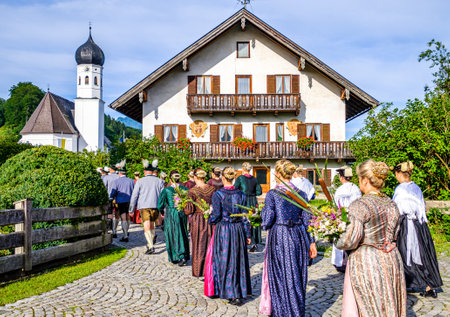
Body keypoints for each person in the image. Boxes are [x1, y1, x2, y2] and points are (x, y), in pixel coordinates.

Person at [336, 160, 407, 317]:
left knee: (369, 305)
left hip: (367, 260)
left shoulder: (360, 205)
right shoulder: (391, 203)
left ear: (365, 180)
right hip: (391, 258)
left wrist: (335, 237)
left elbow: (350, 240)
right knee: (388, 301)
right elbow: (396, 231)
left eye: (359, 178)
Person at [261, 159, 317, 317]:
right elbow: (308, 221)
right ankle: (296, 310)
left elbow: (267, 220)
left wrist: (261, 214)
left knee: (280, 275)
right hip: (298, 235)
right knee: (297, 274)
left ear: (278, 174)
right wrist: (311, 242)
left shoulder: (274, 194)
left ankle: (282, 312)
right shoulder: (302, 194)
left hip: (280, 235)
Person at [393, 161, 443, 298]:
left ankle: (405, 283)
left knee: (403, 254)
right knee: (423, 254)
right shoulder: (416, 187)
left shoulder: (400, 189)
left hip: (405, 225)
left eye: (396, 174)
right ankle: (429, 285)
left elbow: (397, 209)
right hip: (419, 225)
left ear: (399, 173)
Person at [209, 166, 252, 305]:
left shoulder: (218, 195)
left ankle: (229, 292)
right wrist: (248, 233)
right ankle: (239, 291)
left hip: (224, 230)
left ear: (223, 178)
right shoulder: (241, 194)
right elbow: (245, 216)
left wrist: (208, 218)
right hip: (238, 229)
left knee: (225, 259)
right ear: (233, 178)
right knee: (238, 259)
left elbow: (216, 216)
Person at [184, 168, 215, 277]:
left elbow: (188, 210)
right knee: (210, 243)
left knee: (199, 244)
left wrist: (184, 205)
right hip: (211, 219)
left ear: (196, 177)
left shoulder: (192, 191)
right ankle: (211, 268)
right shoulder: (212, 189)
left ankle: (200, 270)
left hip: (198, 220)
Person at [129, 159, 165, 254]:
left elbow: (134, 195)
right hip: (155, 205)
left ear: (144, 171)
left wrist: (131, 209)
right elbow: (162, 195)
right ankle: (152, 239)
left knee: (146, 224)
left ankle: (150, 246)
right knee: (152, 223)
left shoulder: (140, 181)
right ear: (152, 171)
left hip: (144, 205)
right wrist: (162, 209)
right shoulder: (159, 181)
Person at [331, 166, 361, 273]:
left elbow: (335, 204)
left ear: (341, 177)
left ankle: (340, 262)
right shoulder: (356, 188)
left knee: (341, 238)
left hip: (342, 217)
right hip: (354, 216)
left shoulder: (340, 190)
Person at [157, 170, 190, 266]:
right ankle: (184, 254)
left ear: (170, 180)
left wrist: (162, 212)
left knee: (173, 234)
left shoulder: (166, 190)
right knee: (183, 233)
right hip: (182, 213)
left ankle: (177, 256)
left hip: (171, 213)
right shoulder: (185, 189)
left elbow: (160, 204)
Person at [234, 162, 262, 252]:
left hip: (244, 201)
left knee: (245, 220)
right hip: (253, 201)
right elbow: (259, 192)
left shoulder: (240, 178)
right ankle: (254, 242)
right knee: (253, 220)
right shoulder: (254, 179)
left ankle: (245, 241)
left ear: (243, 169)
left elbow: (235, 189)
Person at [109, 160, 135, 242]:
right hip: (130, 201)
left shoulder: (116, 181)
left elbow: (113, 192)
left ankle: (125, 235)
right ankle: (126, 232)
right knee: (128, 216)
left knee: (123, 216)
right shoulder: (131, 181)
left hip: (120, 200)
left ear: (119, 173)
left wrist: (111, 198)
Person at [103, 164, 120, 237]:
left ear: (111, 169)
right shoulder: (119, 177)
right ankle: (115, 230)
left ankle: (110, 230)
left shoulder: (107, 177)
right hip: (118, 197)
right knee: (117, 214)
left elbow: (104, 187)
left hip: (109, 197)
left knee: (110, 214)